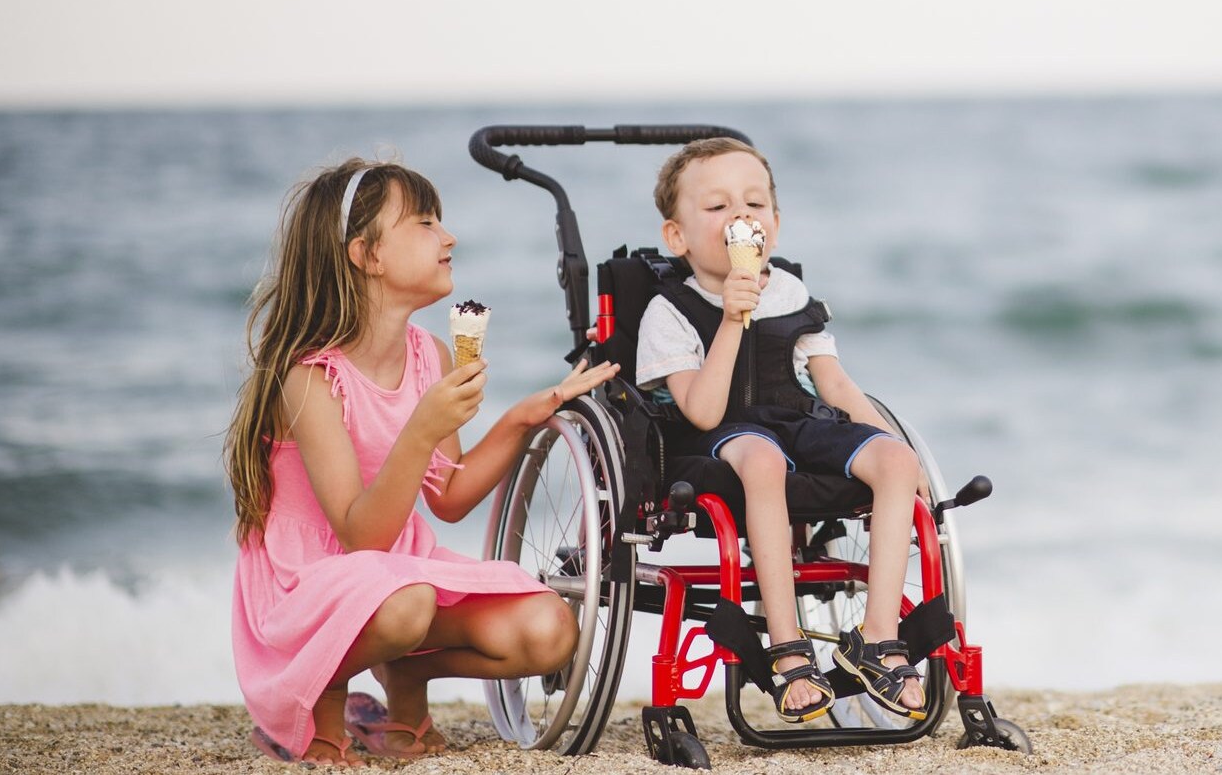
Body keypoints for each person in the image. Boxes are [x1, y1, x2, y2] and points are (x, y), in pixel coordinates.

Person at [226, 159, 620, 765]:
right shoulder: (309, 379)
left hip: (401, 573)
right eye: (425, 222)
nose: (448, 237)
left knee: (550, 631)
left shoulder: (428, 354)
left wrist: (521, 417)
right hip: (306, 580)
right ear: (366, 255)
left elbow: (450, 500)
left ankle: (407, 679)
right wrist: (421, 430)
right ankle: (320, 704)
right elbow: (360, 535)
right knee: (406, 604)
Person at [635, 137, 930, 722]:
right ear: (678, 237)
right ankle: (787, 646)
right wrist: (730, 317)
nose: (741, 217)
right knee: (764, 460)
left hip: (795, 420)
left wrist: (907, 458)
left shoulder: (793, 294)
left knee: (897, 462)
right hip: (721, 436)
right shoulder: (669, 309)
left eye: (754, 204)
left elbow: (837, 388)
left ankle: (877, 639)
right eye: (718, 208)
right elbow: (702, 411)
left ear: (775, 222)